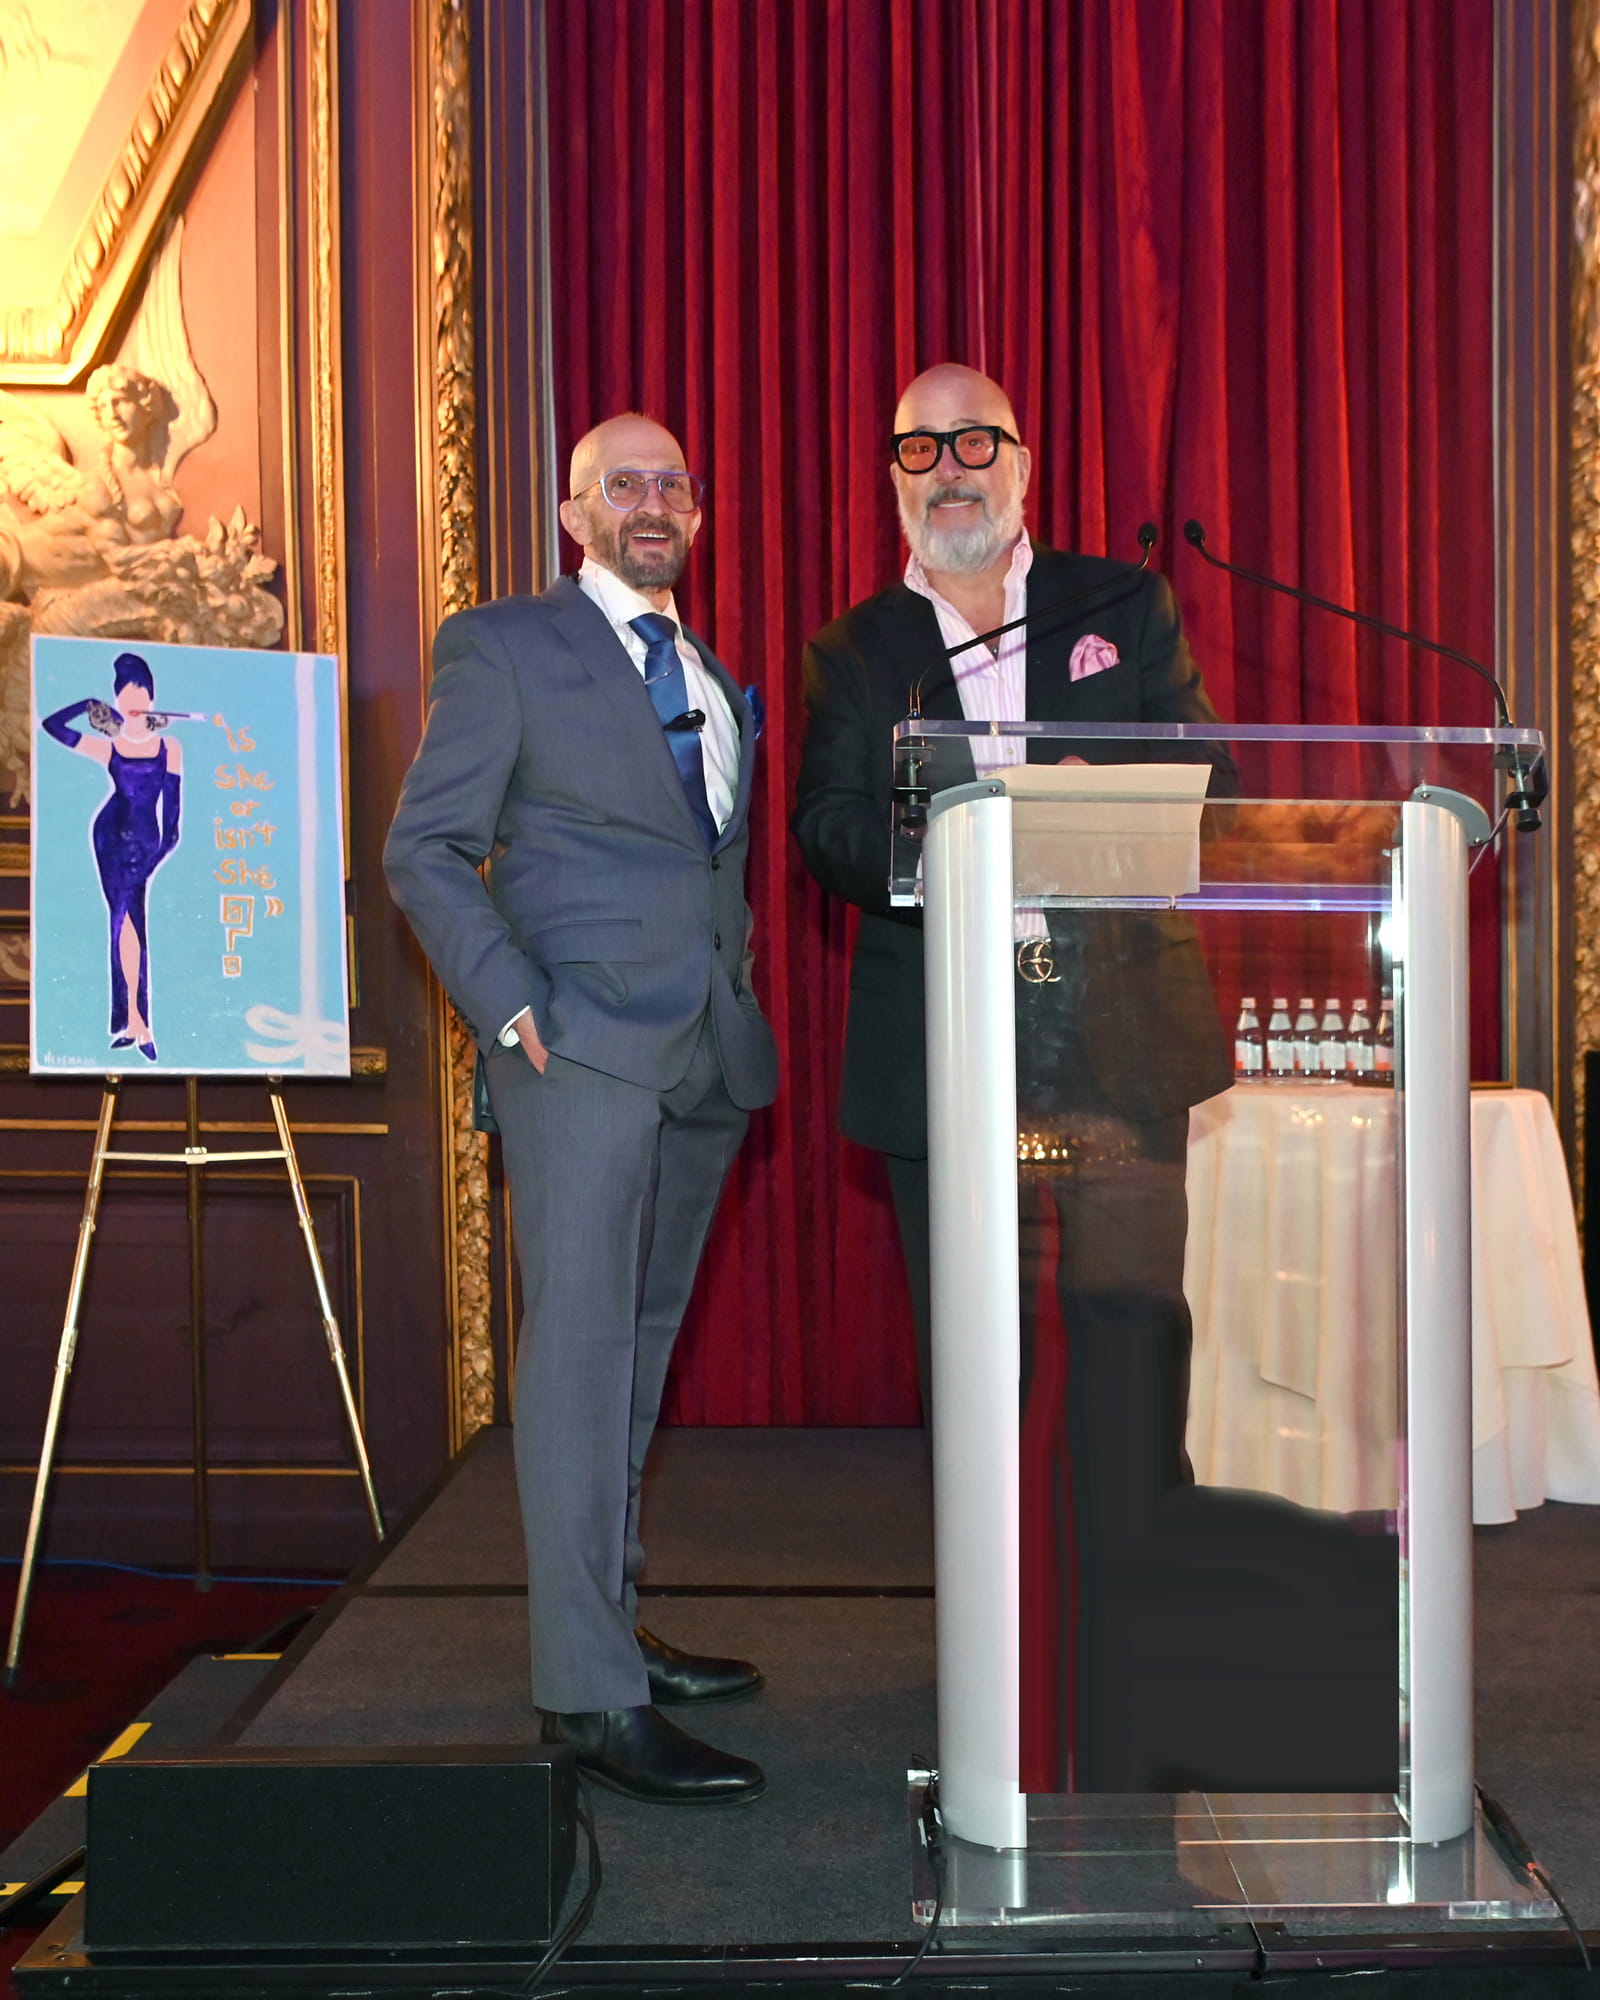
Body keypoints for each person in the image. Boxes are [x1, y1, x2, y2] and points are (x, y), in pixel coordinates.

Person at [793, 365, 1235, 1786]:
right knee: (979, 1358)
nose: (949, 469)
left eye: (973, 442)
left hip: (1114, 1033)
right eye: (918, 449)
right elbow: (825, 828)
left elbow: (1210, 773)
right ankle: (1001, 1652)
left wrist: (1097, 811)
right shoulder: (858, 649)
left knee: (1131, 1334)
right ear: (892, 482)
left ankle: (1144, 1637)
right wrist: (958, 840)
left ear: (1024, 466)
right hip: (949, 1036)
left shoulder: (1121, 605)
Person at [385, 413, 778, 1807]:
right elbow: (423, 847)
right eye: (623, 483)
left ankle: (612, 1626)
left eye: (675, 483)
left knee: (638, 1356)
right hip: (579, 1055)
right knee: (579, 1360)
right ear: (574, 513)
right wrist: (508, 1005)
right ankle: (588, 1695)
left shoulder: (711, 670)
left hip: (705, 1058)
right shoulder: (503, 646)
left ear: (698, 512)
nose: (653, 502)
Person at [42, 649, 185, 1059]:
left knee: (130, 923)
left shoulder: (169, 747)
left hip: (145, 843)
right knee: (122, 923)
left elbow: (173, 821)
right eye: (125, 694)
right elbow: (52, 726)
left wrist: (158, 855)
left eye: (140, 693)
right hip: (110, 838)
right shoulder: (111, 746)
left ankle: (134, 1021)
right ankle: (138, 1022)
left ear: (152, 698)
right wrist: (86, 705)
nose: (133, 701)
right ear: (118, 699)